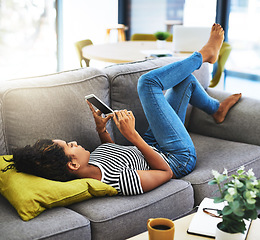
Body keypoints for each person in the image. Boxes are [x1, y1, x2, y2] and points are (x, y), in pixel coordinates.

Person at [2, 24, 241, 196]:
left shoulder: (90, 162)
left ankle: (216, 109)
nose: (74, 141)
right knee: (147, 84)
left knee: (184, 80)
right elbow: (165, 173)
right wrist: (133, 136)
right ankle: (204, 55)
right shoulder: (116, 181)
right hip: (176, 158)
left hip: (154, 142)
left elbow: (111, 152)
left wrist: (102, 130)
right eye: (70, 146)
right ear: (73, 164)